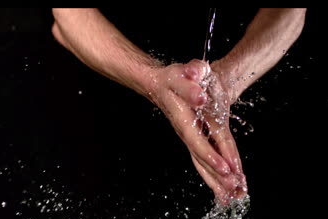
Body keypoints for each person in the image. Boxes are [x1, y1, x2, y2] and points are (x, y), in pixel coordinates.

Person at [51, 8, 306, 205]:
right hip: (107, 105)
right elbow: (69, 15)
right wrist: (151, 79)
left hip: (252, 88)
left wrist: (228, 80)